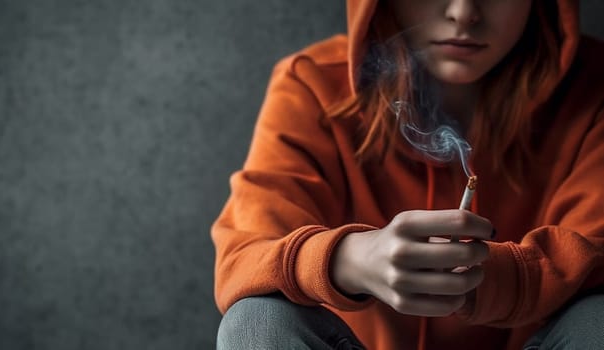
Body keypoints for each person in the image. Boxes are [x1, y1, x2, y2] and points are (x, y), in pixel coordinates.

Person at [212, 0, 604, 349]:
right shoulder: (313, 85)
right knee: (258, 321)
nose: (463, 12)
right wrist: (349, 260)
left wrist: (482, 280)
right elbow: (244, 257)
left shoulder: (594, 90)